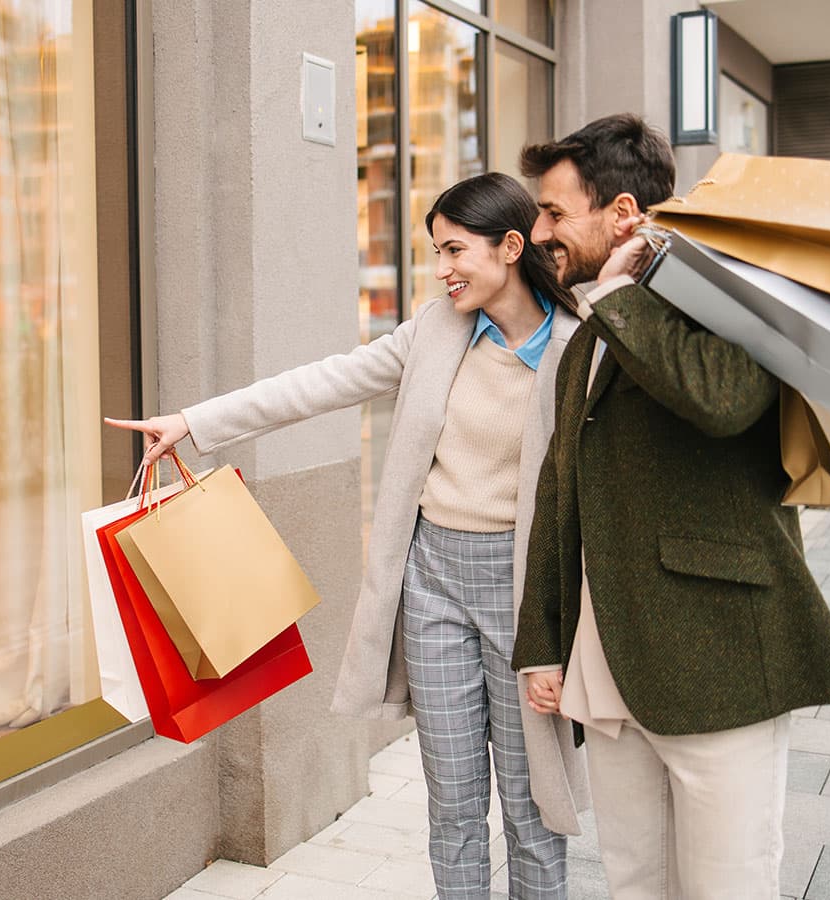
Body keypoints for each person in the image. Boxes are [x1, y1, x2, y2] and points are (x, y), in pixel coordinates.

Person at [107, 172, 589, 899]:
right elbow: (325, 381)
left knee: (531, 808)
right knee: (454, 807)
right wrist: (196, 424)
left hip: (526, 596)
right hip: (432, 587)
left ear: (511, 247)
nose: (442, 269)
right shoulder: (436, 330)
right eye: (436, 252)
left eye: (455, 250)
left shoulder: (579, 352)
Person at [511, 114, 830, 899]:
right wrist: (543, 640)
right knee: (636, 881)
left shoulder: (724, 295)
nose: (538, 231)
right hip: (609, 666)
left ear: (625, 213)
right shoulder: (588, 332)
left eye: (554, 212)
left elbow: (724, 400)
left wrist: (618, 294)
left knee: (727, 884)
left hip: (721, 660)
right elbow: (559, 487)